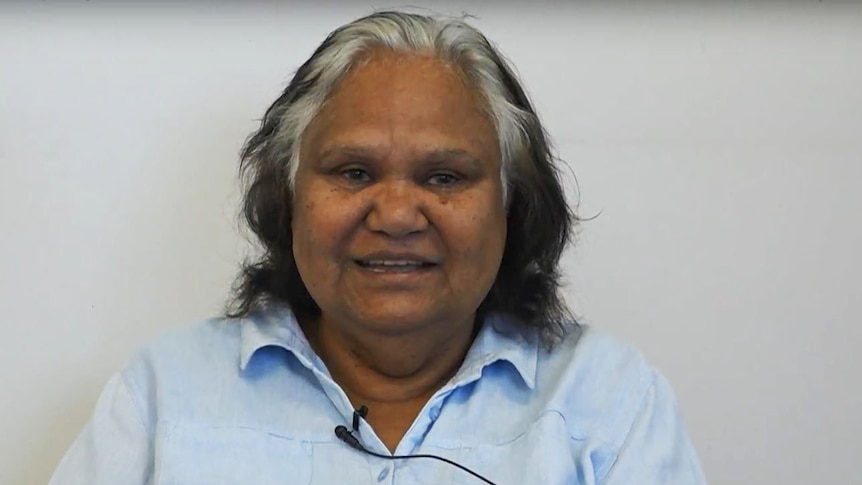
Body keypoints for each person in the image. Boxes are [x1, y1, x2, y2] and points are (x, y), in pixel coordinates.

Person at [49, 10, 707, 485]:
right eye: (354, 172)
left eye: (444, 176)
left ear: (513, 204)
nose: (395, 214)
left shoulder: (609, 399)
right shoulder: (165, 393)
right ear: (288, 196)